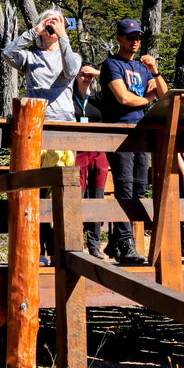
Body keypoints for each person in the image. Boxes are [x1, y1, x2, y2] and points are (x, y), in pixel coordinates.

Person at [100, 19, 169, 264]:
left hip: (142, 133)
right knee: (125, 187)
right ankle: (126, 245)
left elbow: (165, 96)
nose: (135, 41)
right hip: (120, 132)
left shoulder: (143, 68)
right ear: (119, 39)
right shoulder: (111, 64)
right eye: (130, 37)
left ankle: (116, 243)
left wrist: (155, 71)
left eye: (138, 36)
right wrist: (148, 98)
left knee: (140, 187)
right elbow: (124, 99)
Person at [2, 9, 82, 122]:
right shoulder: (29, 57)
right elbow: (7, 53)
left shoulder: (74, 57)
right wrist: (34, 32)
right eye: (50, 22)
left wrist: (62, 36)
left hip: (64, 118)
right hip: (33, 117)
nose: (54, 25)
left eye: (58, 22)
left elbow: (71, 72)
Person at [72, 62, 109, 258]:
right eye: (83, 74)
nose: (86, 78)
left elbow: (115, 83)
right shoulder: (69, 98)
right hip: (78, 152)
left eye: (90, 75)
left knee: (98, 196)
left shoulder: (100, 98)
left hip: (99, 150)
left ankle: (95, 245)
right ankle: (75, 241)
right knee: (77, 195)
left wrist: (97, 72)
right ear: (75, 75)